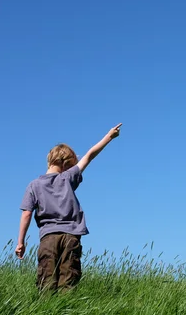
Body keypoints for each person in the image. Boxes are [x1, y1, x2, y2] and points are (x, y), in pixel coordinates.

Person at [15, 123, 122, 292]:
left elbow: (27, 214)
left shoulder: (33, 185)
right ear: (66, 164)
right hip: (71, 235)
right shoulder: (67, 178)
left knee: (46, 279)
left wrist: (20, 242)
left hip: (48, 236)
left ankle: (46, 308)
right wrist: (109, 136)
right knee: (69, 279)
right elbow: (89, 156)